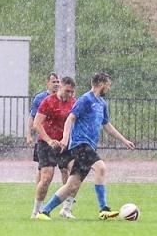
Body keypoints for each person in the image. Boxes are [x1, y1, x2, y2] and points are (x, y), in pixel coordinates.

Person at [35, 72, 135, 220]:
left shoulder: (102, 103)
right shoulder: (85, 100)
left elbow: (107, 125)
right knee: (100, 167)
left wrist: (124, 140)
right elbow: (70, 118)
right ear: (101, 84)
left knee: (71, 185)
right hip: (80, 144)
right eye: (108, 85)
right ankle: (103, 209)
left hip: (90, 146)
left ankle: (44, 212)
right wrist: (65, 138)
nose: (108, 88)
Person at [30, 75, 78, 218]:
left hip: (64, 144)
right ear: (60, 87)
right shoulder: (48, 101)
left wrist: (67, 139)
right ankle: (36, 211)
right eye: (67, 91)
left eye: (72, 92)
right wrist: (50, 140)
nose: (69, 95)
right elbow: (36, 124)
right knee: (46, 177)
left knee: (76, 173)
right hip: (46, 143)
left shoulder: (74, 103)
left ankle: (66, 209)